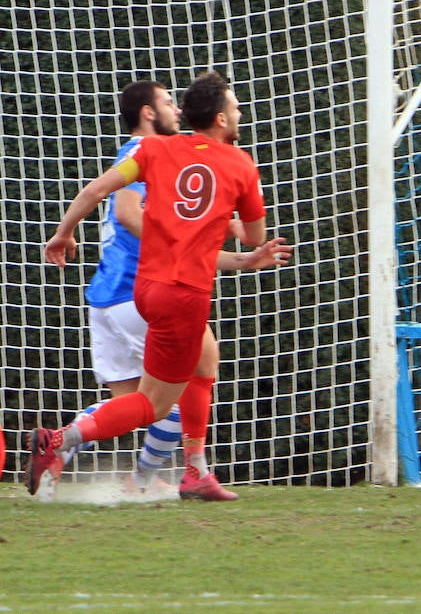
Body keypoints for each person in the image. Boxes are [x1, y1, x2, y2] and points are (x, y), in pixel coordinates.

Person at [31, 71, 281, 499]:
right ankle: (60, 442)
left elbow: (97, 190)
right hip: (182, 295)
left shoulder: (154, 148)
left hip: (145, 288)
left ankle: (195, 472)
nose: (240, 113)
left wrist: (63, 232)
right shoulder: (240, 163)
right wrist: (238, 232)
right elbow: (257, 237)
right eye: (236, 107)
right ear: (221, 119)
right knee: (155, 405)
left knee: (203, 363)